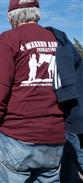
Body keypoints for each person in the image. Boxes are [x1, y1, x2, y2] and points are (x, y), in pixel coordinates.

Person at [0, 0, 65, 182]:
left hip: (17, 135)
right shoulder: (57, 39)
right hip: (54, 135)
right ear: (37, 12)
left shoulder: (8, 39)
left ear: (10, 16)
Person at [44, 27, 83, 182]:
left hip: (72, 115)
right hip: (74, 113)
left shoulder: (61, 49)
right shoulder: (66, 47)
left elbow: (64, 89)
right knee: (68, 158)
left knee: (79, 156)